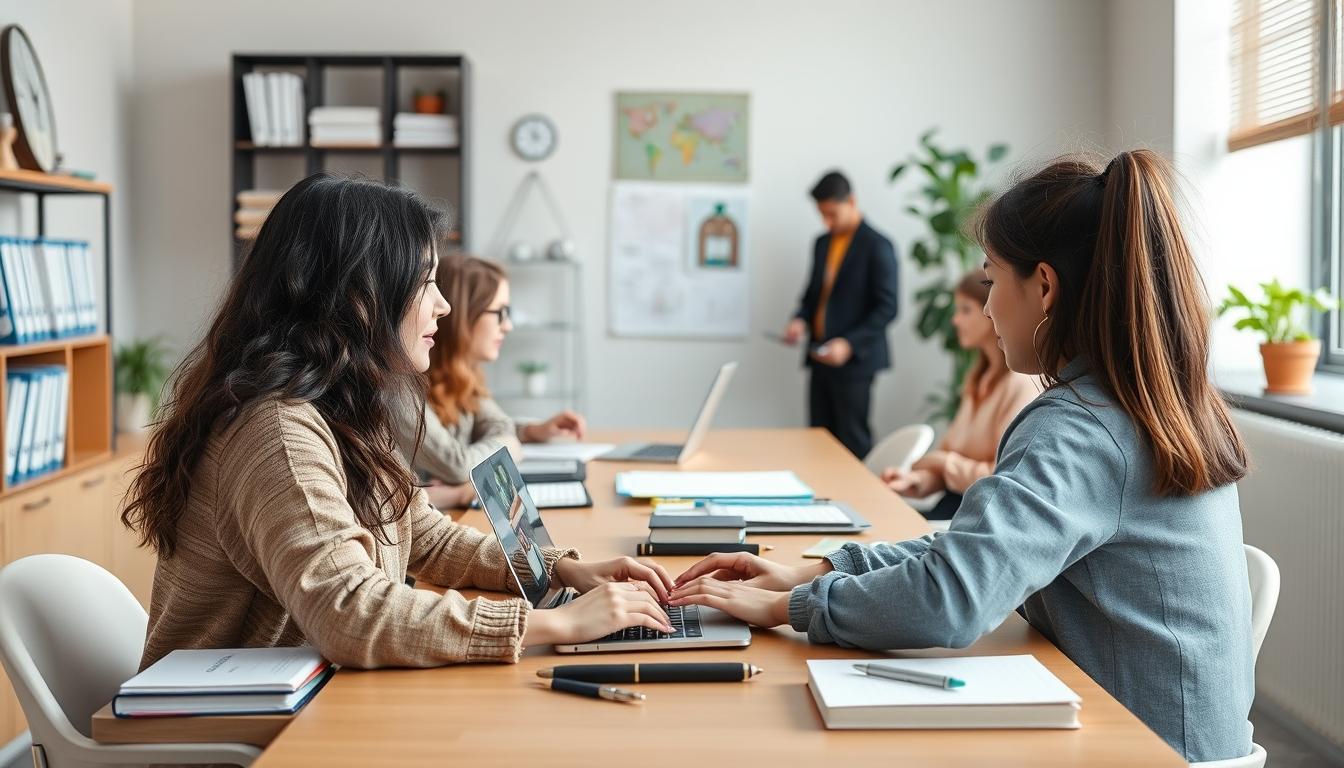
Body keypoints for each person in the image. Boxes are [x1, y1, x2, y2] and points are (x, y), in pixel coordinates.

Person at [670, 151, 1254, 762]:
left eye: (991, 280)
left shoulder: (1080, 429)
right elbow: (972, 552)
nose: (990, 305)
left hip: (1151, 750)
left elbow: (948, 598)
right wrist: (813, 573)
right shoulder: (1150, 403)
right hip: (1180, 738)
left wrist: (791, 608)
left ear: (1045, 287)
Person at [122, 174, 676, 670]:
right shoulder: (277, 432)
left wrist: (559, 570)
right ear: (358, 296)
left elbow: (424, 537)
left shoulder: (342, 408)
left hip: (308, 702)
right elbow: (349, 613)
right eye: (425, 282)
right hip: (236, 727)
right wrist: (557, 624)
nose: (443, 306)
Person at [393, 255, 586, 508]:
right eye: (500, 313)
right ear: (464, 316)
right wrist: (509, 447)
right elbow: (459, 465)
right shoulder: (400, 389)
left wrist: (531, 432)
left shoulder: (462, 376)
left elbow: (498, 425)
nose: (508, 326)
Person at [881, 271, 1038, 519]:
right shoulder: (977, 378)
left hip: (980, 517)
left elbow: (1003, 477)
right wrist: (917, 481)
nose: (955, 320)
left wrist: (943, 462)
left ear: (991, 310)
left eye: (965, 310)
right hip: (956, 508)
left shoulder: (1020, 384)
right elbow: (950, 459)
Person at [781, 170, 899, 459]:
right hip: (820, 355)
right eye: (822, 215)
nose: (827, 222)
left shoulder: (878, 245)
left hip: (855, 361)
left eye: (832, 214)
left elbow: (888, 306)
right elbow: (813, 295)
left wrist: (849, 344)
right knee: (817, 438)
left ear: (852, 202)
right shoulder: (822, 243)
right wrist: (799, 319)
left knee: (852, 439)